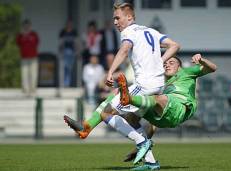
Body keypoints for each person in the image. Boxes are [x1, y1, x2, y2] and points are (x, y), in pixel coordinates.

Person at [64, 2, 180, 168]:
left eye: (118, 18)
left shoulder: (129, 31)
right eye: (114, 19)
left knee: (106, 113)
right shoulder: (150, 31)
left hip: (145, 85)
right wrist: (159, 61)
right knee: (131, 118)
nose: (116, 22)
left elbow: (124, 50)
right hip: (157, 84)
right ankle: (151, 162)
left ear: (129, 17)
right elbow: (175, 45)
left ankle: (140, 142)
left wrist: (110, 71)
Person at [16, 19, 39, 96]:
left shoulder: (34, 34)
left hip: (33, 57)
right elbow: (18, 43)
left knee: (33, 73)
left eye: (28, 26)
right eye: (25, 26)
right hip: (24, 58)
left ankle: (33, 89)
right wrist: (24, 35)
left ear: (30, 26)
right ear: (23, 26)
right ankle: (25, 89)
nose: (26, 27)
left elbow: (37, 43)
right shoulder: (20, 35)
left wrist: (28, 37)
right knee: (24, 74)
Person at [59, 20, 79, 87]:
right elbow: (61, 43)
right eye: (68, 24)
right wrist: (60, 51)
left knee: (69, 68)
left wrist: (77, 51)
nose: (69, 25)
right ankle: (65, 83)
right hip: (65, 51)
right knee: (65, 67)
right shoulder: (63, 32)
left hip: (72, 52)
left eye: (70, 24)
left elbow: (76, 42)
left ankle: (67, 83)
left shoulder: (74, 32)